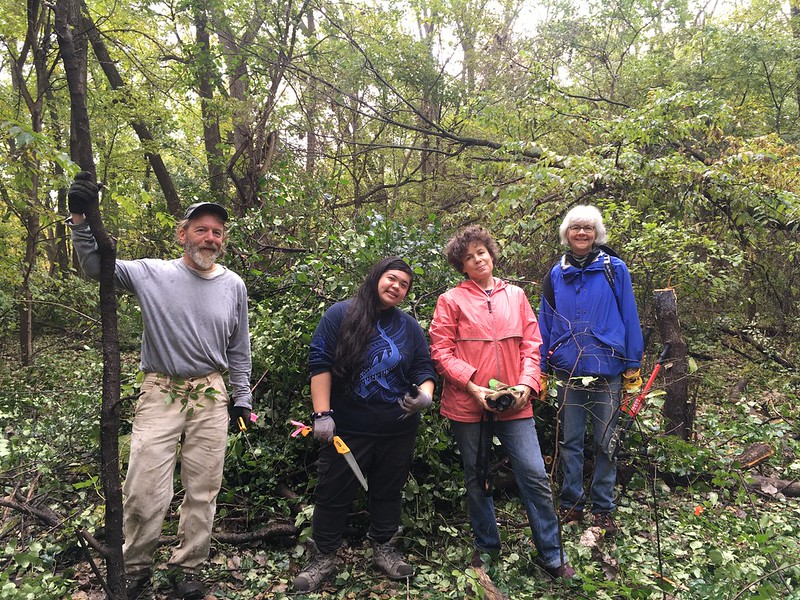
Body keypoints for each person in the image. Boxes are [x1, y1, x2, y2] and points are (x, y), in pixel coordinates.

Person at [67, 172, 253, 600]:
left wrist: (241, 398)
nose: (209, 238)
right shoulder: (151, 273)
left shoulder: (233, 286)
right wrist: (79, 218)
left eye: (217, 232)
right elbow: (97, 266)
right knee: (145, 486)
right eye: (201, 230)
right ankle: (135, 567)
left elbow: (240, 349)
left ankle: (189, 567)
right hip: (160, 389)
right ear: (182, 234)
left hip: (211, 393)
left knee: (204, 488)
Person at [428, 225, 574, 580]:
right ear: (461, 266)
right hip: (468, 404)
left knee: (535, 475)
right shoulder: (451, 300)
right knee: (477, 478)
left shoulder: (516, 295)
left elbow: (532, 344)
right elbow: (440, 350)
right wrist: (472, 385)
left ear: (491, 255)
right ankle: (487, 549)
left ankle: (552, 556)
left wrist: (527, 383)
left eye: (481, 252)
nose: (477, 259)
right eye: (468, 257)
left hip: (516, 402)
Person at [293, 257, 437, 593]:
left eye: (404, 284)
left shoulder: (409, 327)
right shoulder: (340, 315)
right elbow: (320, 363)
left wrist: (426, 396)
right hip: (347, 428)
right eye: (391, 278)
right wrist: (322, 414)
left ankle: (383, 549)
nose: (396, 287)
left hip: (397, 429)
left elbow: (423, 368)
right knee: (332, 493)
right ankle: (323, 557)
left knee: (388, 491)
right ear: (376, 278)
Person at [538, 205, 644, 536]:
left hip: (607, 366)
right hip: (568, 368)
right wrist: (540, 366)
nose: (582, 233)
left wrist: (633, 364)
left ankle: (603, 507)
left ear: (596, 233)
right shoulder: (556, 274)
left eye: (588, 228)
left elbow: (629, 315)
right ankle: (571, 503)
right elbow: (545, 322)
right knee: (570, 440)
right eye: (575, 228)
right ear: (566, 234)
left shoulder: (615, 269)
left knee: (606, 440)